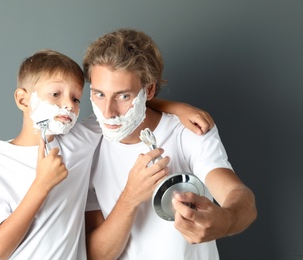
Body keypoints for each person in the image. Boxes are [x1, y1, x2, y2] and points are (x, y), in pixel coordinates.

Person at [0, 49, 215, 259]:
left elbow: (126, 107)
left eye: (75, 98)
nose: (67, 105)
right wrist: (41, 186)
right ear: (23, 100)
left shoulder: (78, 140)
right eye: (55, 94)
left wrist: (177, 107)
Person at [84, 28, 257, 260]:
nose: (108, 112)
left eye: (123, 96)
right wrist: (131, 197)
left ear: (150, 90)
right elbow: (97, 255)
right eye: (99, 94)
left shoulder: (188, 130)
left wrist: (224, 221)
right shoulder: (86, 143)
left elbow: (240, 198)